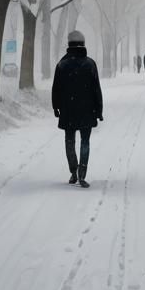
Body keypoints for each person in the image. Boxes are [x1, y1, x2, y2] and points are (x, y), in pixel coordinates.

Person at [52, 30, 103, 188]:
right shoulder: (90, 64)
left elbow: (56, 89)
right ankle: (82, 173)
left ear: (69, 44)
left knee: (69, 140)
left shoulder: (62, 64)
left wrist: (56, 106)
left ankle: (73, 171)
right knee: (85, 141)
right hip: (87, 109)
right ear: (83, 44)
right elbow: (96, 89)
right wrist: (99, 110)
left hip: (68, 109)